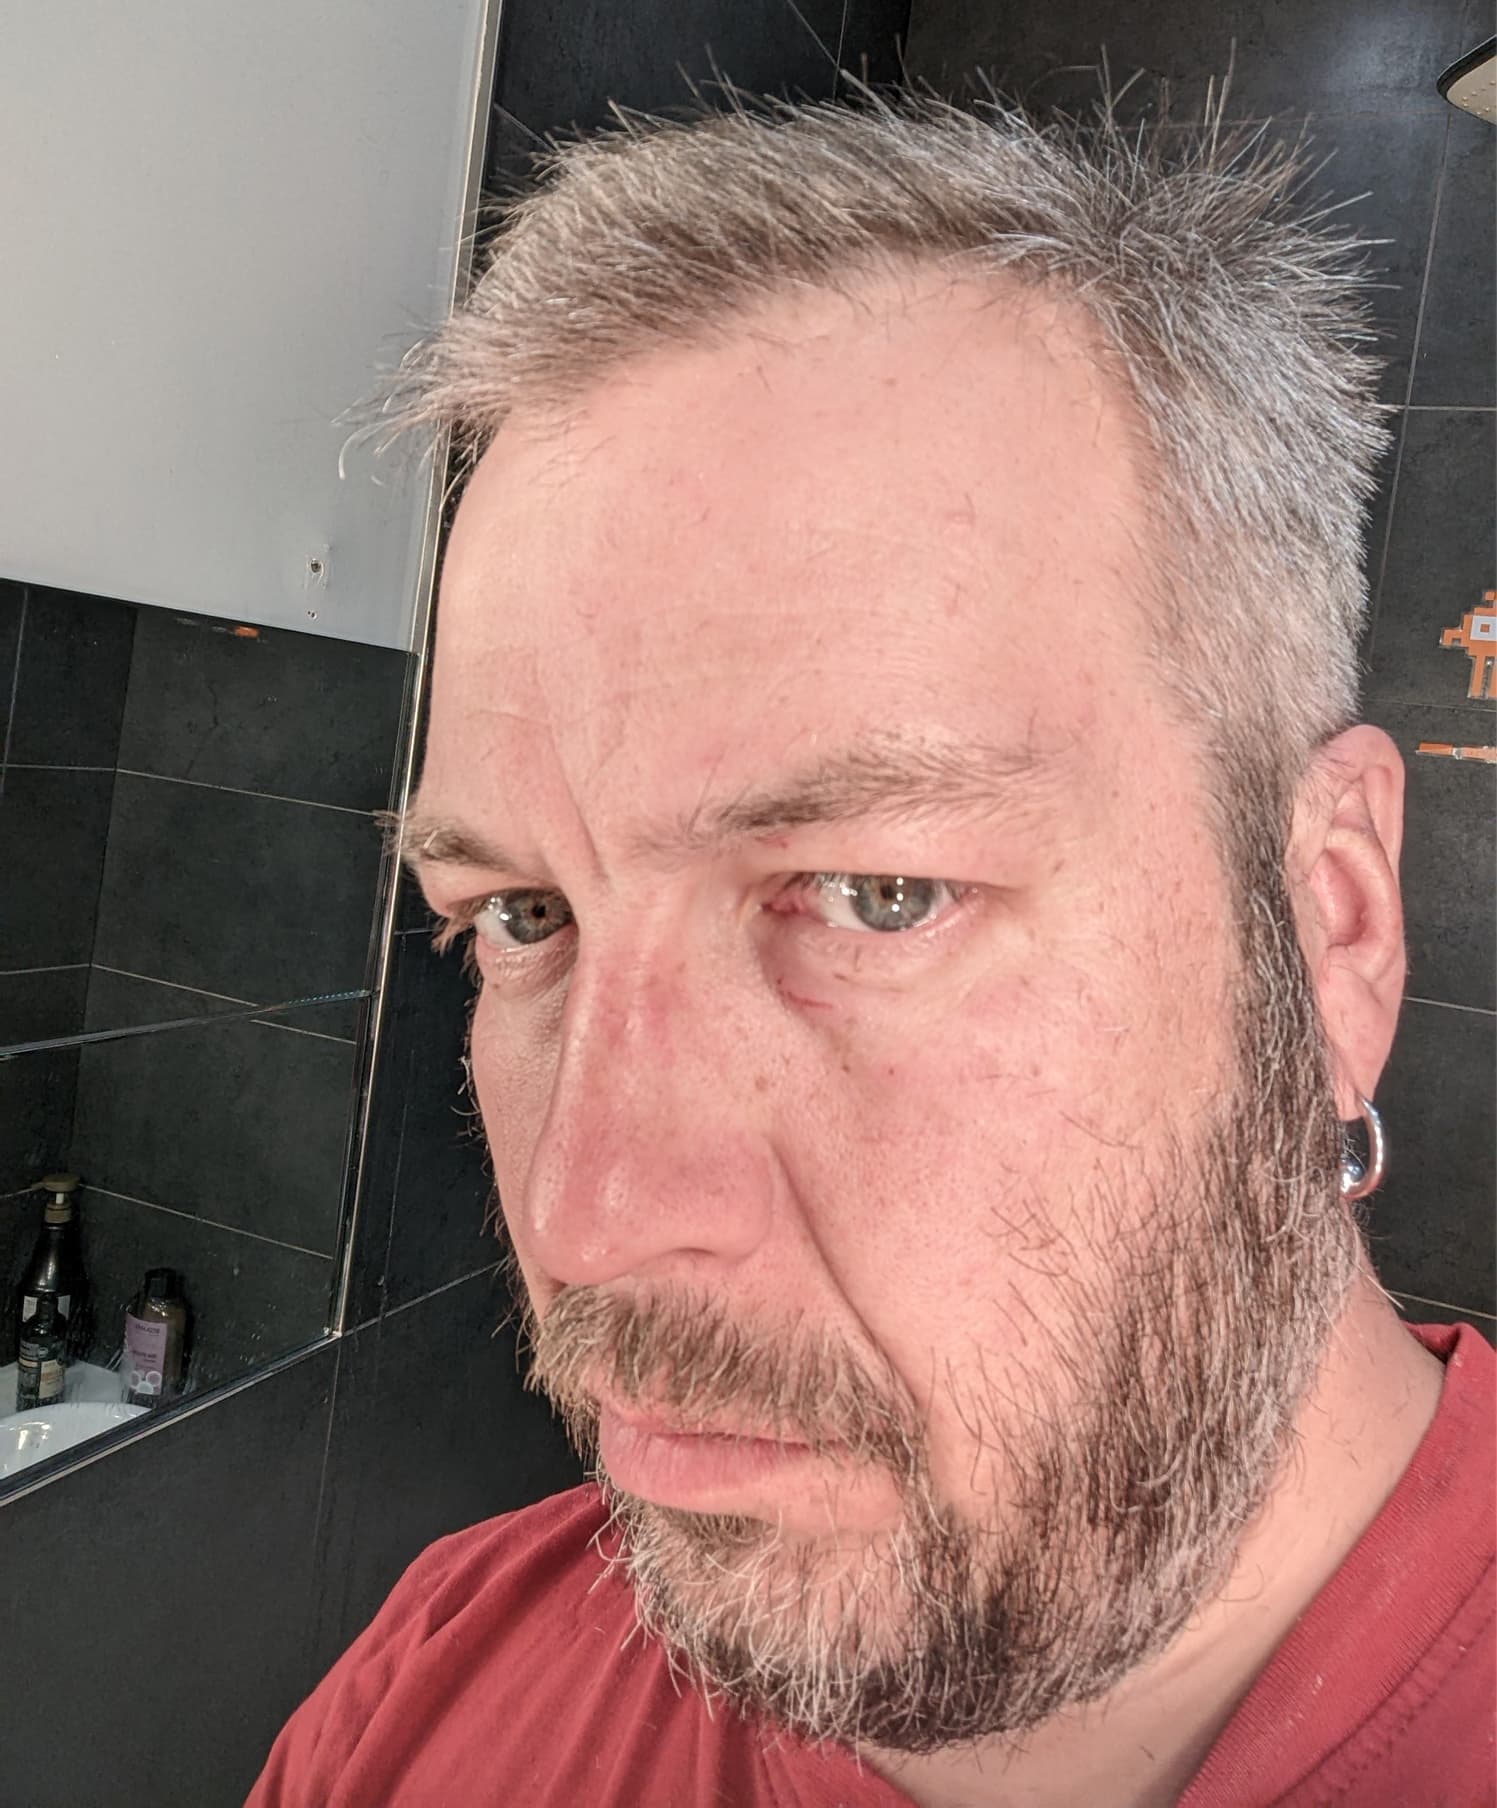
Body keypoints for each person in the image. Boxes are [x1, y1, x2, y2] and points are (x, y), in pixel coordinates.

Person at [247, 96, 1494, 1808]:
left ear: (1329, 922)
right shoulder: (426, 1709)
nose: (585, 1222)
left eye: (873, 895)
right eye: (525, 916)